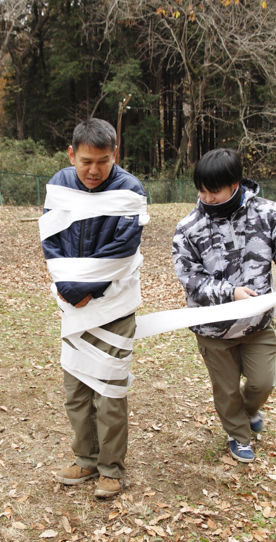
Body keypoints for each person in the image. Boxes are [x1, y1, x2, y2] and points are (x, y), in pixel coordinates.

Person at [40, 118, 148, 497]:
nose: (93, 170)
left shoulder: (130, 190)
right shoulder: (60, 184)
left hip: (113, 305)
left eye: (102, 161)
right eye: (85, 161)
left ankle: (111, 468)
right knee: (76, 388)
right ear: (71, 154)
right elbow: (50, 237)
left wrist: (85, 288)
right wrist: (69, 289)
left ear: (114, 155)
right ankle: (86, 459)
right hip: (72, 303)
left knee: (110, 388)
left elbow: (121, 250)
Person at [173, 148, 276, 463]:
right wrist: (231, 293)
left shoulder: (268, 214)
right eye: (201, 190)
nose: (207, 197)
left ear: (235, 183)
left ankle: (248, 411)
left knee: (262, 382)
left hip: (257, 323)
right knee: (227, 389)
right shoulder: (188, 228)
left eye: (213, 190)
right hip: (212, 328)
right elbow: (191, 279)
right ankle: (239, 435)